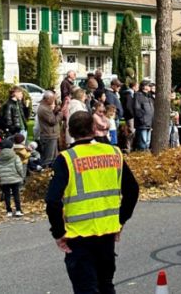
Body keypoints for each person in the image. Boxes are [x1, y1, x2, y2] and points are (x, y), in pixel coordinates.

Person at [45, 111, 139, 294]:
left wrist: (58, 232)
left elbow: (52, 201)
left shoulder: (67, 159)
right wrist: (120, 220)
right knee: (106, 285)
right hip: (107, 233)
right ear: (94, 129)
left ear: (70, 131)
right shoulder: (114, 153)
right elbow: (132, 190)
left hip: (78, 236)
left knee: (86, 288)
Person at [0, 137, 24, 217]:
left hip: (4, 180)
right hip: (15, 179)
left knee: (7, 195)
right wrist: (21, 176)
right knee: (16, 195)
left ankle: (9, 211)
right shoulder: (15, 156)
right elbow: (19, 168)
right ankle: (18, 210)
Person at [36, 91, 59, 167]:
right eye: (52, 99)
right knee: (48, 159)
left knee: (53, 158)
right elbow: (53, 121)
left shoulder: (45, 107)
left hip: (51, 135)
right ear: (47, 99)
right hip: (49, 135)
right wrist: (60, 114)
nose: (53, 101)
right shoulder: (44, 108)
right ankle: (45, 174)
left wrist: (55, 111)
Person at [133, 81, 154, 151]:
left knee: (148, 142)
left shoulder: (149, 96)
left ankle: (146, 157)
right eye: (148, 85)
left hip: (149, 123)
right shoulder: (138, 95)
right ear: (144, 87)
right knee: (143, 142)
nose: (150, 87)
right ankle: (142, 156)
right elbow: (137, 109)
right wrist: (142, 119)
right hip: (142, 123)